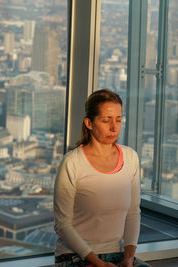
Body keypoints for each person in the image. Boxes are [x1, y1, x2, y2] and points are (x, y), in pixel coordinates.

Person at [54, 89, 149, 267]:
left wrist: (128, 258)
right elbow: (62, 225)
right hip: (75, 255)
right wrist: (98, 263)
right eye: (106, 120)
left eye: (118, 120)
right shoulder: (72, 163)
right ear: (89, 123)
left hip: (117, 253)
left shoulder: (131, 158)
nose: (114, 127)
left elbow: (133, 213)